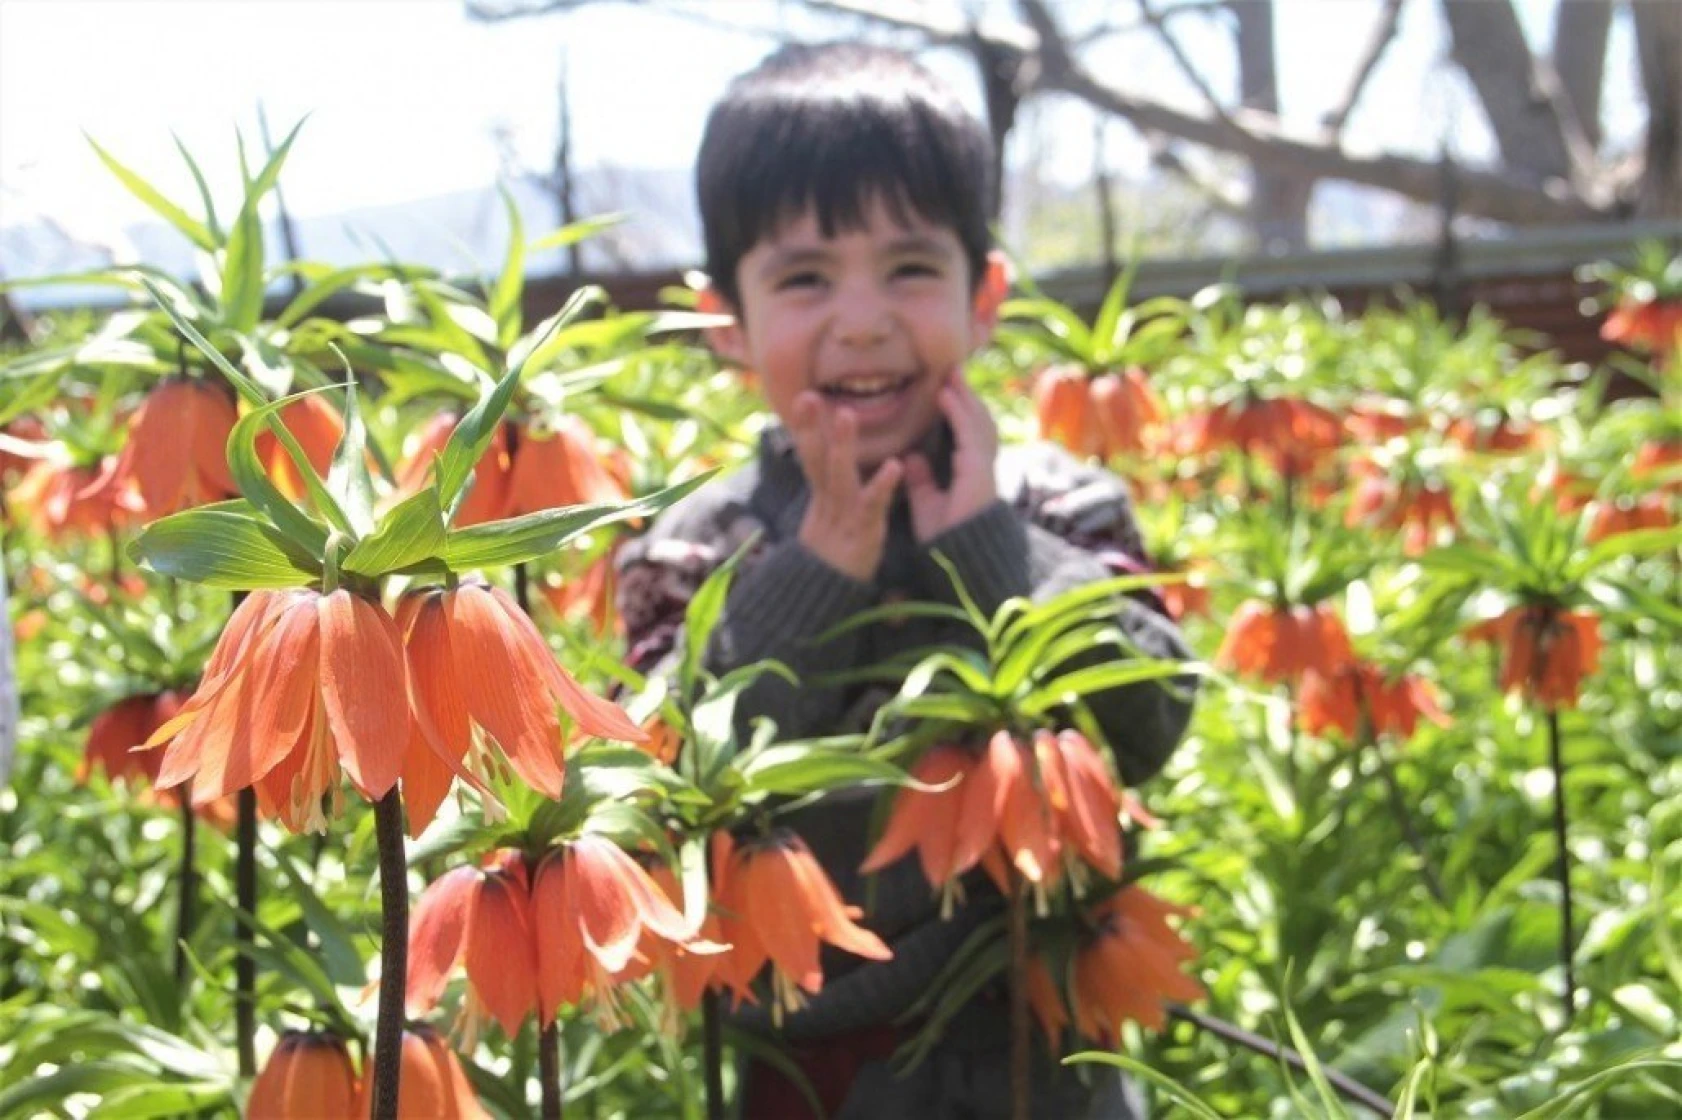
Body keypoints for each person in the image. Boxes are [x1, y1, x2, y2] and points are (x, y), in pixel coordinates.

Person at [614, 41, 1196, 1120]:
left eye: (909, 268)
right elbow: (670, 775)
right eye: (803, 277)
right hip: (805, 1045)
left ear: (983, 297)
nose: (863, 318)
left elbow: (1150, 719)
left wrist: (990, 543)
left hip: (1041, 1023)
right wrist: (820, 567)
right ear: (725, 324)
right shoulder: (688, 545)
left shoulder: (1056, 508)